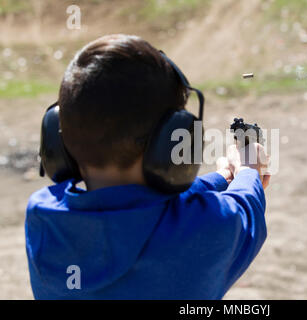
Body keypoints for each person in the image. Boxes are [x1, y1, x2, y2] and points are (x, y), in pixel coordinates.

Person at [25, 34, 270, 299]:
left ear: (56, 138)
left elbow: (143, 207)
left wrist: (224, 176)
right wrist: (248, 170)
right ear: (172, 141)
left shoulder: (43, 218)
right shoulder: (208, 227)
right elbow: (244, 207)